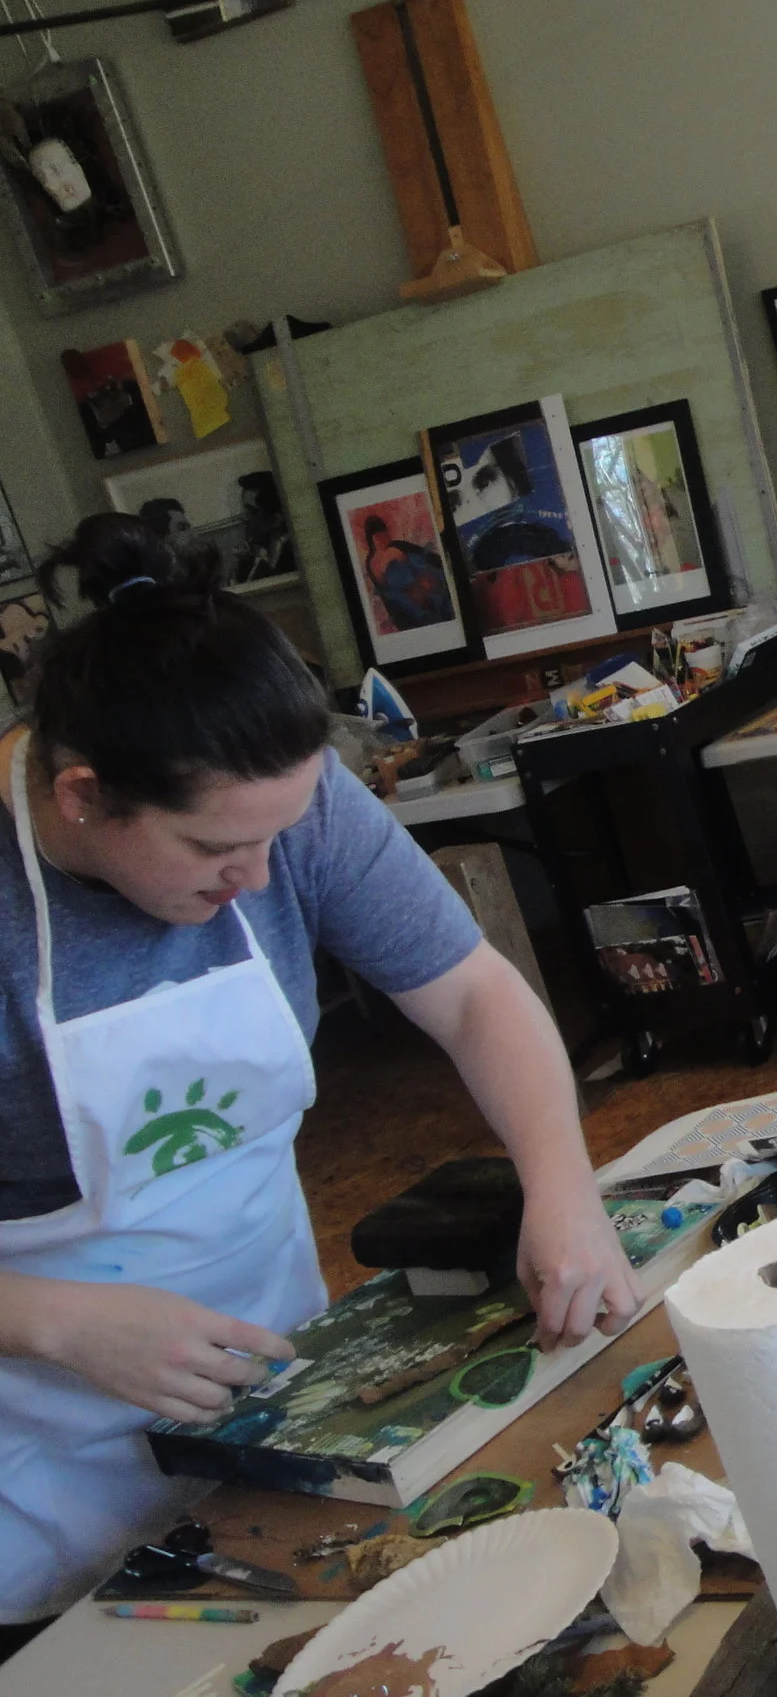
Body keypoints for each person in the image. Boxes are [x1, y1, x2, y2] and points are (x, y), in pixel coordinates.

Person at [0, 514, 637, 1642]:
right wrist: (52, 1322)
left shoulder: (278, 798)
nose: (258, 879)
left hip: (268, 1360)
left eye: (280, 837)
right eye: (212, 852)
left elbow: (475, 996)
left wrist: (562, 1186)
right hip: (36, 1427)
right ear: (83, 796)